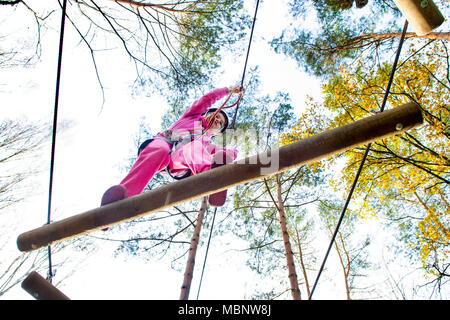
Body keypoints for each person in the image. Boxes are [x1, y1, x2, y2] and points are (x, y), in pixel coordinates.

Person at [100, 85, 245, 207]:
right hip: (166, 144)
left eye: (220, 123)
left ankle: (213, 177)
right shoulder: (192, 117)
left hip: (179, 161)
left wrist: (231, 154)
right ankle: (121, 197)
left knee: (197, 149)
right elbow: (207, 99)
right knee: (160, 150)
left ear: (218, 133)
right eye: (216, 115)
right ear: (207, 113)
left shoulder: (206, 144)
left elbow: (220, 153)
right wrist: (228, 90)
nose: (217, 120)